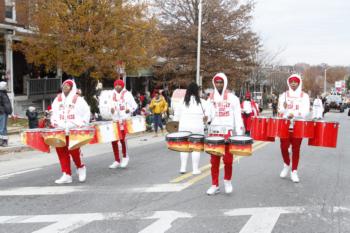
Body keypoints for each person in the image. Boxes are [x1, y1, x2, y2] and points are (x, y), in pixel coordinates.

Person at [206, 73, 244, 195]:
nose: (218, 85)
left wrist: (239, 132)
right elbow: (208, 116)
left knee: (228, 160)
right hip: (214, 133)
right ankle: (214, 184)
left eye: (221, 82)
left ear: (225, 83)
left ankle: (227, 181)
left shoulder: (233, 98)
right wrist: (206, 119)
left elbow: (238, 116)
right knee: (214, 161)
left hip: (228, 133)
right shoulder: (210, 98)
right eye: (216, 82)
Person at [50, 79, 90, 184]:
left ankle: (81, 168)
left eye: (68, 85)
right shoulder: (57, 99)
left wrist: (81, 124)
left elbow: (86, 113)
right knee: (61, 152)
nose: (65, 87)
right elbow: (53, 113)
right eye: (64, 85)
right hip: (60, 129)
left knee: (74, 151)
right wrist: (54, 123)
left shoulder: (78, 99)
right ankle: (66, 174)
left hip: (73, 130)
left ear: (72, 88)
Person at [278, 74, 310, 183]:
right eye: (291, 81)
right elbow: (280, 109)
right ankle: (286, 164)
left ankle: (294, 171)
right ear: (288, 82)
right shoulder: (284, 95)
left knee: (296, 149)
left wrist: (295, 114)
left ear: (299, 82)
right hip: (285, 124)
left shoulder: (304, 96)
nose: (293, 83)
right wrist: (284, 111)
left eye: (295, 81)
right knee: (283, 147)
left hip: (298, 125)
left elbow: (306, 111)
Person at [174, 82, 210, 175]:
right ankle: (195, 169)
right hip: (197, 126)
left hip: (184, 127)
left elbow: (176, 116)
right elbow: (207, 115)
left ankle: (183, 168)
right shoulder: (203, 102)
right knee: (195, 148)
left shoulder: (181, 101)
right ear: (197, 91)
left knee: (184, 148)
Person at [109, 79, 137, 169]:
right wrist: (111, 110)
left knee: (122, 140)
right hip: (115, 120)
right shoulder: (111, 94)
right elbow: (108, 106)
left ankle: (125, 157)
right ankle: (117, 160)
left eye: (119, 85)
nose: (117, 86)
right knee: (113, 141)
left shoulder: (127, 94)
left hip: (123, 120)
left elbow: (135, 105)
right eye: (116, 85)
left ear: (122, 86)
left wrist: (129, 109)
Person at [0, 81, 12, 146]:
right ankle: (2, 142)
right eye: (6, 86)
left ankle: (4, 141)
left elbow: (7, 103)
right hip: (2, 113)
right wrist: (2, 110)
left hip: (5, 112)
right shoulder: (1, 93)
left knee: (3, 127)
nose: (7, 87)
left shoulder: (4, 93)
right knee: (2, 128)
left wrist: (9, 111)